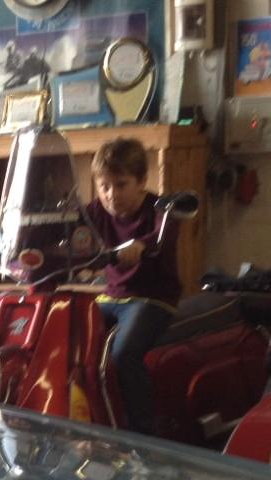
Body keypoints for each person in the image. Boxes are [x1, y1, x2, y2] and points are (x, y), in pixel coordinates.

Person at [83, 137, 183, 435]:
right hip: (110, 297)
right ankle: (91, 417)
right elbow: (68, 227)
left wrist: (141, 245)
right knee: (72, 340)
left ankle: (141, 432)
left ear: (141, 181)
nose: (111, 194)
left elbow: (164, 233)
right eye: (104, 186)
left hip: (151, 298)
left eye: (121, 184)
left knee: (124, 354)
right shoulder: (96, 211)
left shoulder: (160, 210)